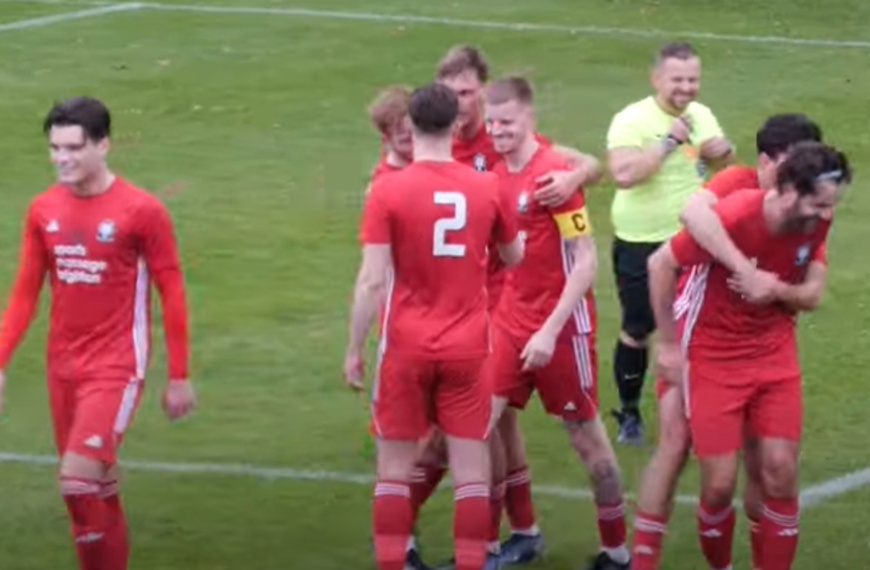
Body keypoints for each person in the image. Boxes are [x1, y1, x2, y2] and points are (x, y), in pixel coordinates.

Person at [0, 96, 196, 570]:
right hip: (62, 367)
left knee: (76, 482)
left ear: (103, 145)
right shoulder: (43, 210)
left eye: (74, 147)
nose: (62, 159)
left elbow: (172, 292)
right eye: (55, 148)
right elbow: (25, 294)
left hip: (116, 367)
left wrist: (179, 375)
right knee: (98, 488)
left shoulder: (141, 211)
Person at [427, 45, 604, 567]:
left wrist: (575, 177)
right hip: (463, 303)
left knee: (481, 426)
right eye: (450, 93)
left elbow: (584, 165)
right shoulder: (436, 145)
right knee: (481, 426)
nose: (460, 103)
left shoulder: (506, 139)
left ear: (483, 91)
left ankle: (499, 541)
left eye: (467, 92)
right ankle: (509, 538)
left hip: (515, 305)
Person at [628, 114, 824, 570]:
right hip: (704, 339)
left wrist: (773, 289)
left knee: (770, 466)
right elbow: (687, 225)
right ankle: (644, 559)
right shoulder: (735, 189)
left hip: (765, 346)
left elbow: (813, 283)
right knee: (681, 445)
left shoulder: (809, 206)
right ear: (766, 163)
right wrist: (671, 345)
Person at [344, 82, 524, 570]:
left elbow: (371, 280)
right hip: (468, 346)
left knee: (394, 472)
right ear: (458, 125)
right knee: (470, 471)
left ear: (411, 126)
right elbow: (515, 255)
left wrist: (354, 348)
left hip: (405, 346)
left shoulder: (387, 189)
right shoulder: (486, 186)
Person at [483, 75, 629, 570]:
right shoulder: (495, 172)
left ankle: (618, 552)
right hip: (509, 320)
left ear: (529, 120)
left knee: (585, 437)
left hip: (562, 328)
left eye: (506, 122)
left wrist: (549, 329)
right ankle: (487, 547)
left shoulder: (553, 178)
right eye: (492, 122)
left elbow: (585, 259)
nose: (497, 131)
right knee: (476, 426)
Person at [605, 41, 734, 444]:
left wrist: (721, 151)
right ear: (656, 78)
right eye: (677, 79)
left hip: (693, 237)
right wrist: (668, 143)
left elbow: (721, 163)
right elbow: (624, 175)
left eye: (692, 79)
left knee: (698, 325)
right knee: (638, 328)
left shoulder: (701, 114)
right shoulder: (632, 120)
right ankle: (629, 413)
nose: (686, 88)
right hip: (641, 240)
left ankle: (698, 413)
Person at [366, 85, 414, 191]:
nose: (406, 133)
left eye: (409, 126)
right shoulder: (382, 183)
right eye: (398, 128)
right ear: (386, 135)